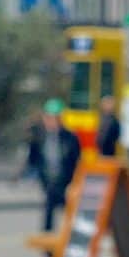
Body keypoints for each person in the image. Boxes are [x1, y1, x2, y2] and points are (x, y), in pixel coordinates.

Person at [28, 99, 81, 237]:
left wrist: (74, 183)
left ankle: (70, 247)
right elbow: (33, 159)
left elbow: (76, 162)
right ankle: (48, 253)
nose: (53, 121)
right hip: (49, 183)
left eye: (56, 118)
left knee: (71, 217)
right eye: (49, 118)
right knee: (48, 217)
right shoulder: (39, 136)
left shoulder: (70, 138)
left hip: (65, 182)